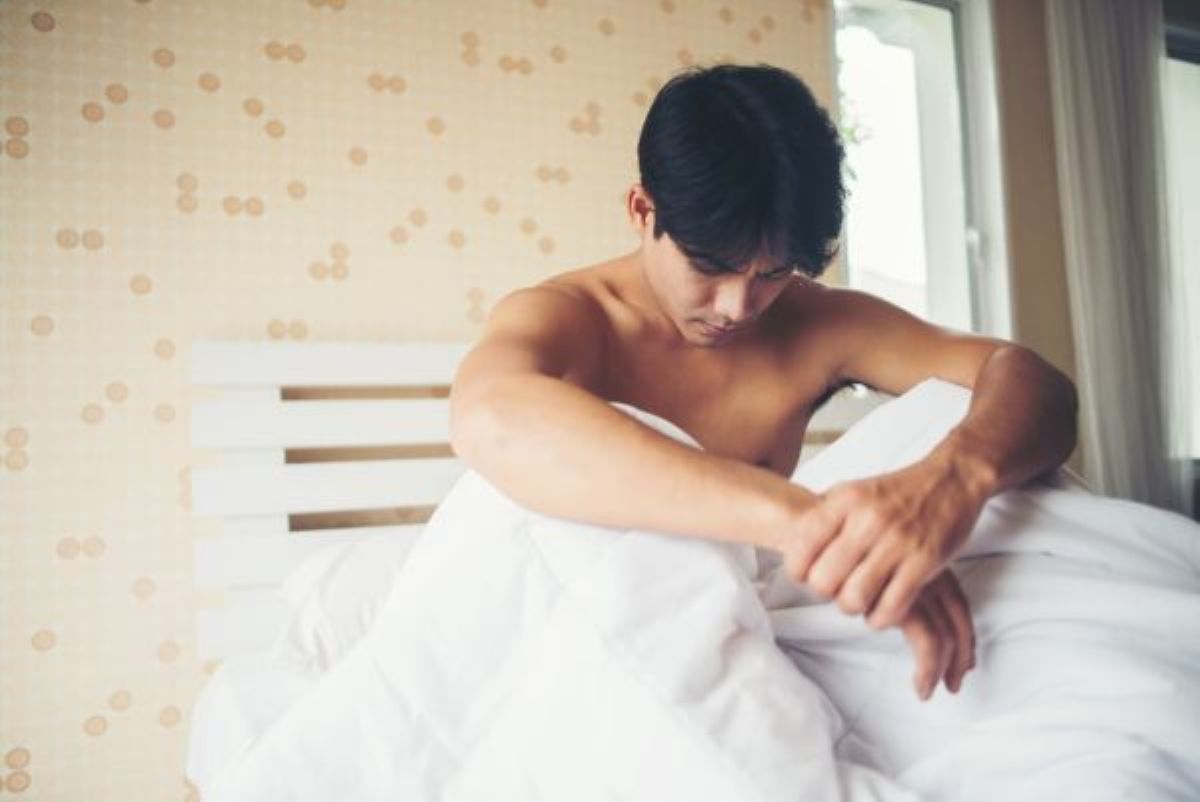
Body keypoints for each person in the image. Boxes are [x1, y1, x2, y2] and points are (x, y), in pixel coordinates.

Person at [449, 63, 1078, 702]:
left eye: (772, 273)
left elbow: (1031, 380)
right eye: (710, 267)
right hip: (581, 642)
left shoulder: (814, 322)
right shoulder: (569, 316)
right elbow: (487, 414)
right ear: (643, 211)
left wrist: (951, 485)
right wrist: (807, 521)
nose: (738, 307)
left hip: (731, 638)